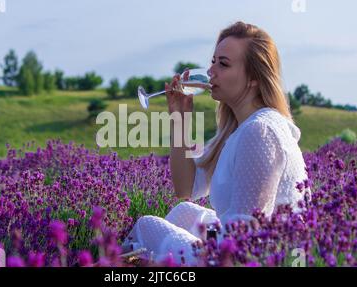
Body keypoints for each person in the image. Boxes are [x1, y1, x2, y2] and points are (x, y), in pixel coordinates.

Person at [122, 21, 310, 265]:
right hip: (251, 246)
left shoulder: (260, 131)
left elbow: (245, 241)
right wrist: (179, 118)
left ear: (253, 78)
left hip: (265, 257)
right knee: (184, 213)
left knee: (147, 226)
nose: (211, 72)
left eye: (223, 64)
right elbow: (186, 189)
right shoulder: (238, 130)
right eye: (213, 61)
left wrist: (159, 265)